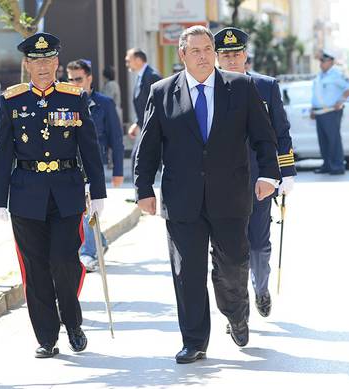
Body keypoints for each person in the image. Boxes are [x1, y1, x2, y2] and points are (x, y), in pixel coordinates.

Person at [134, 25, 280, 364]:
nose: (203, 56)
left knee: (231, 266)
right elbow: (148, 145)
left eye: (207, 49)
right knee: (188, 272)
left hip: (230, 195)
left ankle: (237, 313)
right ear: (182, 55)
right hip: (182, 198)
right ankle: (194, 340)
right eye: (195, 50)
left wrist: (270, 176)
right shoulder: (162, 91)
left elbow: (263, 136)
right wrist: (143, 188)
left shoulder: (241, 88)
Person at [0, 32, 106, 358]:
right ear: (27, 64)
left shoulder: (73, 97)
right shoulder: (12, 100)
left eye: (48, 60)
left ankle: (72, 322)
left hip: (66, 193)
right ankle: (46, 336)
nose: (42, 66)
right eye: (35, 61)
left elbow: (89, 147)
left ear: (57, 62)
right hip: (26, 193)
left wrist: (97, 191)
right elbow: (1, 152)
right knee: (35, 267)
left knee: (63, 262)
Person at [214, 27, 296, 318]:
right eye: (226, 55)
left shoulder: (266, 86)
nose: (232, 60)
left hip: (259, 178)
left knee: (259, 243)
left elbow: (281, 132)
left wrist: (285, 173)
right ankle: (237, 309)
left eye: (237, 54)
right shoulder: (210, 88)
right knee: (230, 249)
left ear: (246, 55)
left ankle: (260, 287)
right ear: (217, 58)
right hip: (222, 183)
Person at [67, 59, 124, 272]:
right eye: (70, 79)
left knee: (88, 209)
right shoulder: (65, 101)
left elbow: (116, 139)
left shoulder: (104, 103)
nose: (74, 83)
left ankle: (89, 253)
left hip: (94, 164)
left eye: (78, 79)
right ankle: (98, 241)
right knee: (82, 210)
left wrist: (118, 170)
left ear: (89, 78)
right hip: (71, 165)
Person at [310, 50, 349, 175]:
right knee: (323, 141)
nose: (321, 64)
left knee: (333, 140)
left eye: (323, 61)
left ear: (330, 61)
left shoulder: (336, 74)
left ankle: (337, 166)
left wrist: (340, 101)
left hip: (331, 112)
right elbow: (317, 93)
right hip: (319, 113)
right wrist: (313, 108)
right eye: (320, 61)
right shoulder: (320, 76)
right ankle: (327, 165)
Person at [125, 48, 161, 179]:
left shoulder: (152, 76)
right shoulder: (141, 76)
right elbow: (142, 104)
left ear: (138, 60)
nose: (127, 64)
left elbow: (158, 103)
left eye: (129, 60)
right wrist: (137, 123)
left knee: (140, 158)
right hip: (144, 125)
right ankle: (139, 195)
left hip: (152, 126)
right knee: (138, 159)